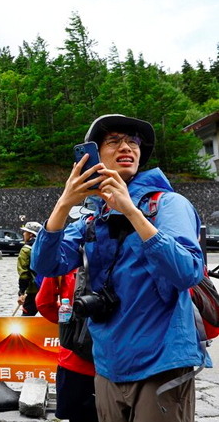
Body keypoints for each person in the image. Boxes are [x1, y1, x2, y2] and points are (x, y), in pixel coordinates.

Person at [31, 114, 204, 422]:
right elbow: (45, 264)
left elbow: (188, 271)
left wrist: (132, 213)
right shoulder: (91, 217)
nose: (127, 147)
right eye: (114, 141)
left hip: (161, 364)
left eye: (133, 142)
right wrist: (64, 203)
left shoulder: (168, 205)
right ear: (94, 155)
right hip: (108, 365)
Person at [36, 272, 98, 422]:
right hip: (118, 361)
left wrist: (71, 324)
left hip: (74, 360)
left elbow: (44, 303)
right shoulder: (126, 254)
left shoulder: (66, 257)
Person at [16, 221, 42, 317]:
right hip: (48, 287)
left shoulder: (26, 250)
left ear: (31, 235)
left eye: (25, 232)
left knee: (26, 318)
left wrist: (21, 292)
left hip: (33, 289)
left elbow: (24, 274)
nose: (23, 234)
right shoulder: (45, 247)